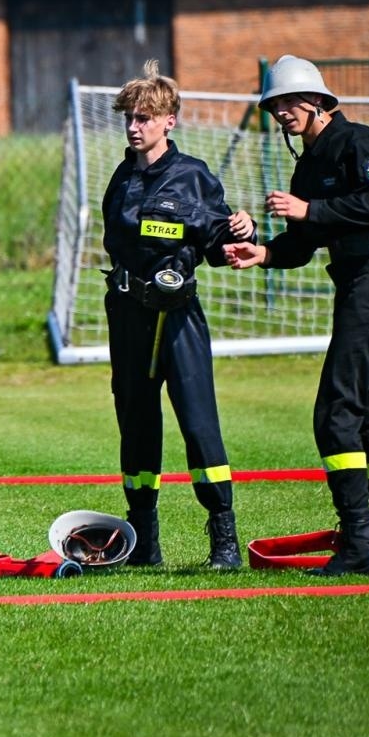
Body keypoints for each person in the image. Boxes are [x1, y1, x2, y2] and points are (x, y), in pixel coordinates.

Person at [225, 54, 369, 576]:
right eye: (275, 104)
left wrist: (311, 211)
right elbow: (304, 244)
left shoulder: (361, 143)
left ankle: (358, 545)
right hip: (354, 287)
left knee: (335, 415)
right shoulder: (307, 163)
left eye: (291, 101)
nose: (283, 112)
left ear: (320, 101)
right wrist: (264, 253)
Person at [101, 60, 255, 569]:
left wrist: (242, 231)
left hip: (178, 319)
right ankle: (144, 542)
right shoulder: (121, 179)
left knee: (198, 424)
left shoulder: (192, 176)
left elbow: (217, 242)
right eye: (129, 117)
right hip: (127, 317)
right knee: (136, 426)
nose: (133, 126)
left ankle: (224, 542)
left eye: (144, 117)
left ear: (169, 121)